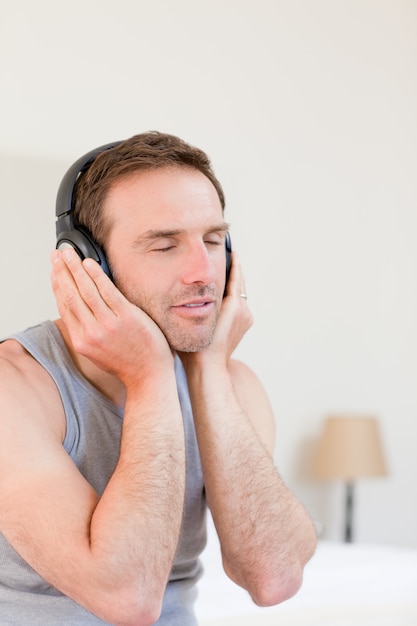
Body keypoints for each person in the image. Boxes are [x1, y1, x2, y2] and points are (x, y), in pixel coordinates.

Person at [0, 131, 316, 626]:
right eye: (164, 246)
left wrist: (209, 369)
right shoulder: (14, 388)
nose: (203, 272)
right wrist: (149, 378)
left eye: (213, 241)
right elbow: (128, 599)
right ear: (89, 263)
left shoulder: (234, 384)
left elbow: (274, 577)